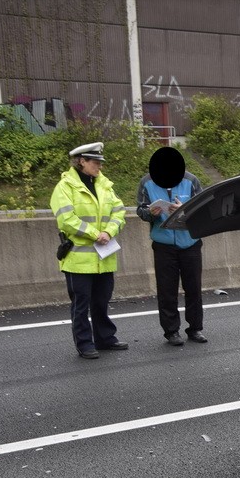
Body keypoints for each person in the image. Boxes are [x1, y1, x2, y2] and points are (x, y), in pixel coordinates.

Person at [50, 142, 128, 359]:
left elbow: (119, 212)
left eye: (100, 162)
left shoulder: (105, 185)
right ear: (81, 161)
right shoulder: (64, 187)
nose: (99, 167)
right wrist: (96, 234)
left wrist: (110, 232)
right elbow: (66, 220)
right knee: (81, 304)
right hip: (78, 259)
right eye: (95, 162)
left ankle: (105, 338)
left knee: (101, 301)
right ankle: (84, 343)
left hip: (104, 256)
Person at [136, 147, 206, 346]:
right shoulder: (146, 182)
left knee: (194, 288)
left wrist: (184, 210)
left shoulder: (191, 181)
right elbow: (140, 210)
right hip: (163, 244)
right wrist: (152, 213)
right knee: (167, 290)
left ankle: (195, 328)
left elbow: (202, 208)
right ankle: (171, 331)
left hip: (190, 242)